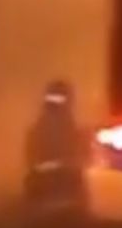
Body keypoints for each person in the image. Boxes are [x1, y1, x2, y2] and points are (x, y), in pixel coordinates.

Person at [23, 78, 90, 214]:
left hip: (62, 179)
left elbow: (83, 154)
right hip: (48, 180)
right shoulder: (42, 127)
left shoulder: (69, 127)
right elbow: (31, 156)